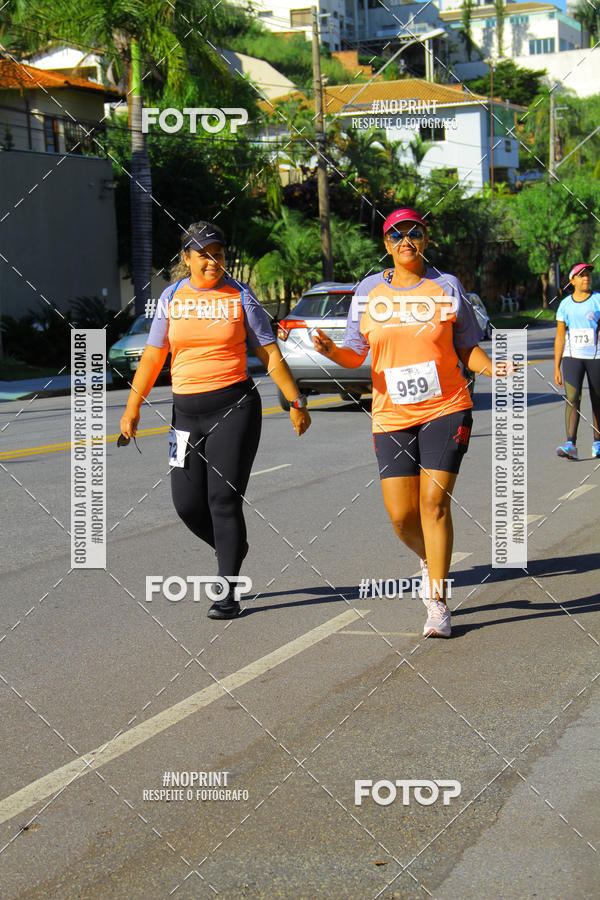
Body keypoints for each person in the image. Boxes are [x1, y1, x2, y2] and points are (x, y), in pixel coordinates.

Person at [312, 208, 508, 638]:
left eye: (413, 233)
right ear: (386, 244)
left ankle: (437, 601)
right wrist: (329, 350)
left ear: (425, 239)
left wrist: (492, 368)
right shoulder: (367, 291)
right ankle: (429, 558)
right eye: (396, 234)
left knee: (433, 505)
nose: (406, 240)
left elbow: (467, 348)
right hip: (390, 414)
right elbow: (354, 354)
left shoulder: (446, 286)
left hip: (446, 406)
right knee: (402, 515)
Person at [120, 221, 311, 619]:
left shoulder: (241, 295)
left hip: (234, 408)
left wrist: (295, 400)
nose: (212, 261)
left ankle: (227, 589)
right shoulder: (172, 297)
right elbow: (155, 356)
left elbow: (269, 353)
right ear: (186, 258)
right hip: (184, 414)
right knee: (187, 504)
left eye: (218, 253)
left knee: (222, 500)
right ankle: (233, 548)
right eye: (203, 254)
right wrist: (132, 406)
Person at [554, 263, 600, 460]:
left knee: (597, 399)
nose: (586, 278)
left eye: (588, 274)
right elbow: (560, 338)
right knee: (572, 398)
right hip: (572, 357)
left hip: (596, 357)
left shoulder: (598, 300)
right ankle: (570, 444)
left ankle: (597, 442)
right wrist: (556, 366)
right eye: (581, 275)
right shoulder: (565, 305)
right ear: (572, 281)